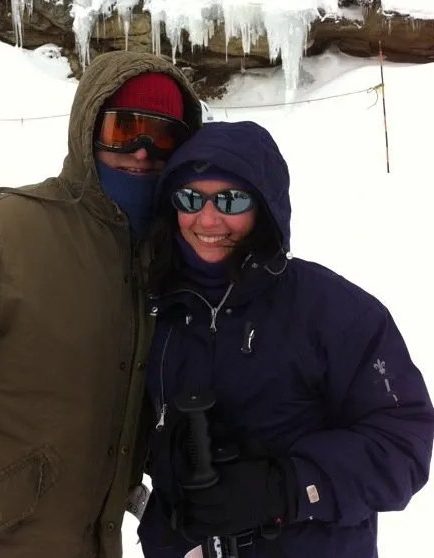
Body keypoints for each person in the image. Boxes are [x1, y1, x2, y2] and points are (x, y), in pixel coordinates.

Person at [0, 51, 202, 558]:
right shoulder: (0, 236)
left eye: (164, 136)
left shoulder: (170, 260)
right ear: (88, 131)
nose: (142, 151)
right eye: (125, 130)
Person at [138, 121, 434, 558]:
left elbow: (403, 446)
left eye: (231, 200)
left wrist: (287, 488)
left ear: (265, 206)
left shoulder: (333, 311)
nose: (208, 219)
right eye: (190, 198)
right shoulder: (153, 309)